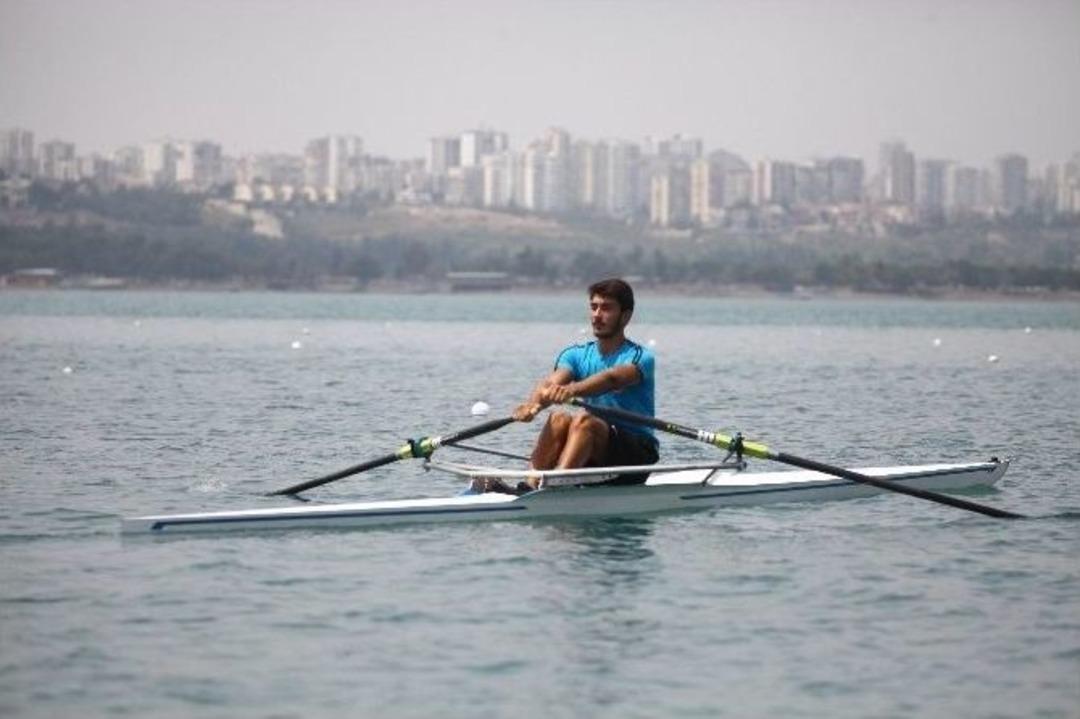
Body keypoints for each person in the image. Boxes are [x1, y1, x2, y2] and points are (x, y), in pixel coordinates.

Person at [481, 278, 658, 494]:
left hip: (635, 457)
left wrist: (570, 391)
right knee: (558, 418)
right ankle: (529, 486)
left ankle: (556, 486)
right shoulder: (575, 355)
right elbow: (550, 384)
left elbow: (612, 379)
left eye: (606, 308)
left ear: (625, 316)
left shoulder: (640, 357)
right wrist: (533, 405)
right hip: (595, 452)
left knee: (584, 420)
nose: (597, 315)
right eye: (594, 307)